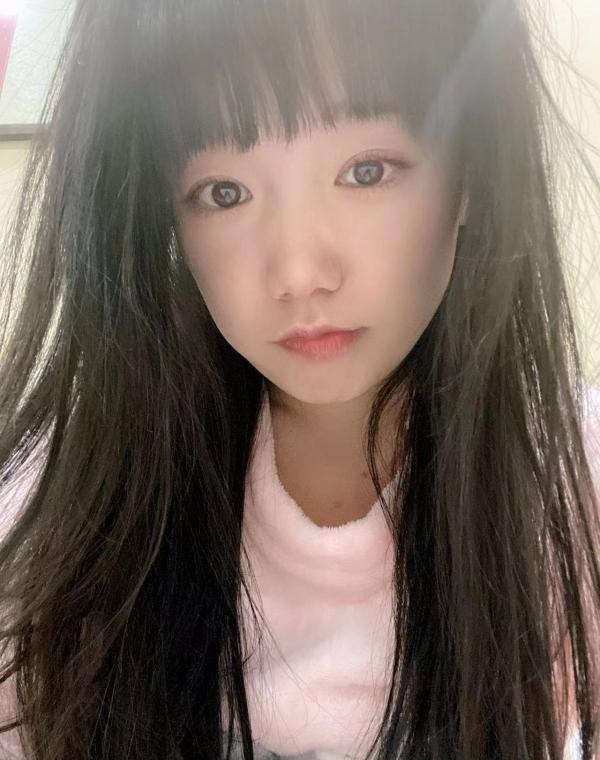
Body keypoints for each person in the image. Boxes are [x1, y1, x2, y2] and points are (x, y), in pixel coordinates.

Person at [0, 0, 599, 758]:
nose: (298, 272)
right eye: (223, 192)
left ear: (474, 171)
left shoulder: (571, 485)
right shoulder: (65, 503)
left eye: (365, 171)